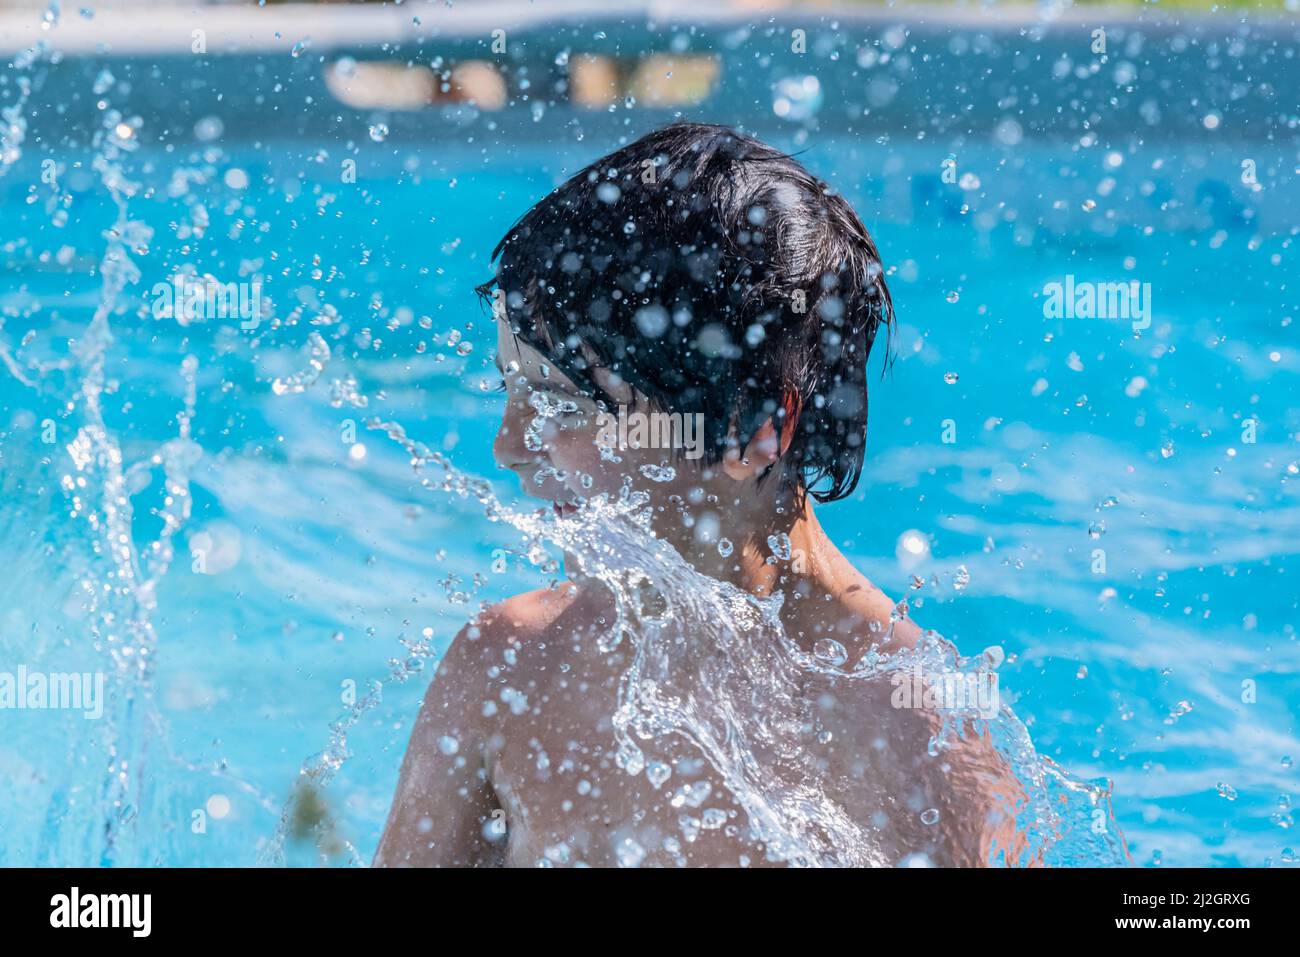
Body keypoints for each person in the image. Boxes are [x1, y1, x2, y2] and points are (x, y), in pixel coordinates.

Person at [375, 123, 1032, 867]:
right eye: (510, 388)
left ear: (754, 429)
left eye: (563, 405)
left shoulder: (920, 727)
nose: (509, 445)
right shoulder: (506, 670)